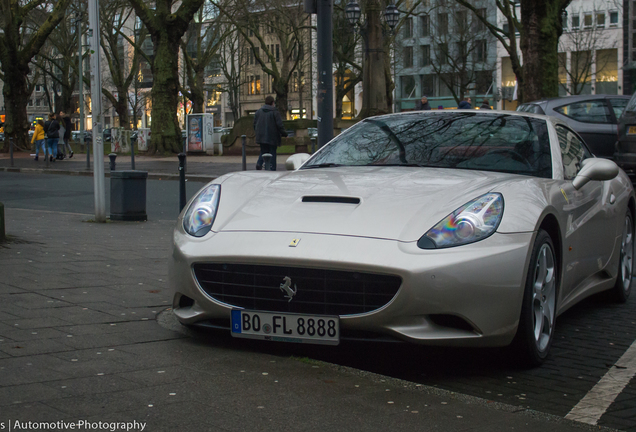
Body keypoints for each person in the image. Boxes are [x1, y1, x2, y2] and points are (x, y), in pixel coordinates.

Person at [254, 95, 288, 171]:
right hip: (272, 137)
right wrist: (285, 134)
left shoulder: (258, 112)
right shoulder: (275, 112)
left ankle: (259, 163)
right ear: (272, 103)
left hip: (261, 136)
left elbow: (254, 124)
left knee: (263, 151)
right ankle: (272, 168)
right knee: (272, 153)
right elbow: (279, 125)